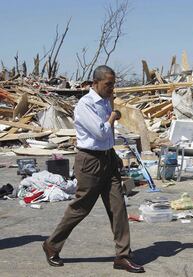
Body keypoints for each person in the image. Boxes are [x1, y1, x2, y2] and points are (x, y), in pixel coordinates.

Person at [42, 65, 145, 274]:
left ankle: (123, 256)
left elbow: (107, 138)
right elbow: (100, 132)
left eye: (113, 84)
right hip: (90, 161)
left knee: (118, 207)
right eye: (108, 84)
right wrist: (113, 116)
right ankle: (52, 244)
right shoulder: (85, 105)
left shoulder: (107, 101)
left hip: (107, 158)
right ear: (95, 83)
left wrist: (113, 153)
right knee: (81, 207)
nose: (111, 88)